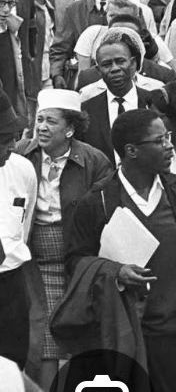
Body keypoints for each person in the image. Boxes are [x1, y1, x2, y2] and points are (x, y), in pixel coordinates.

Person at [64, 108, 176, 392]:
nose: (169, 146)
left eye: (168, 138)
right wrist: (116, 272)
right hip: (122, 333)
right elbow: (75, 261)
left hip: (175, 331)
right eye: (160, 140)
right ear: (132, 151)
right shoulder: (97, 201)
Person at [17, 89, 112, 387]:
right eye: (40, 120)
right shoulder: (20, 153)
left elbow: (104, 212)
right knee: (40, 335)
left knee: (74, 333)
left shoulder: (94, 161)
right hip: (31, 260)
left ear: (70, 129)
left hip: (77, 260)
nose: (42, 127)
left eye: (51, 122)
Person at [0, 91, 37, 371]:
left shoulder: (22, 170)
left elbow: (24, 227)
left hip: (10, 286)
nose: (12, 146)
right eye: (3, 140)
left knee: (13, 368)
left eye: (14, 137)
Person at [78, 30, 153, 163]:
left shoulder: (153, 104)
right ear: (98, 70)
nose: (114, 69)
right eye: (107, 64)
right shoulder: (86, 111)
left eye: (120, 61)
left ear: (133, 63)